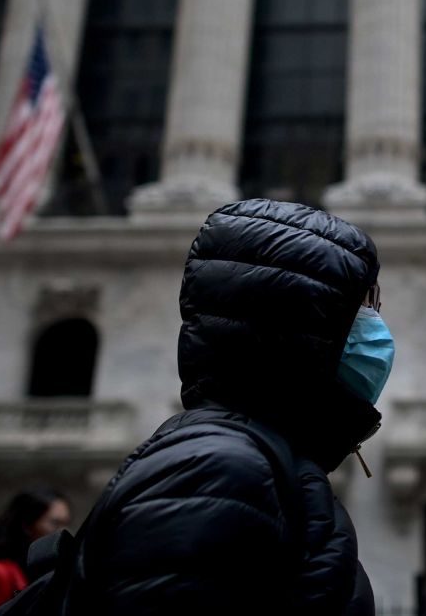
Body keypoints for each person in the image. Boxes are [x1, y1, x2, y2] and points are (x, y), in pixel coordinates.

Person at [82, 199, 392, 614]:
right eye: (364, 308)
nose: (377, 326)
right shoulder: (221, 469)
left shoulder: (262, 462)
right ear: (301, 327)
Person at [0, 487, 71, 616]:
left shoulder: (43, 573)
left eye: (66, 523)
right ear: (27, 526)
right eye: (55, 523)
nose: (63, 531)